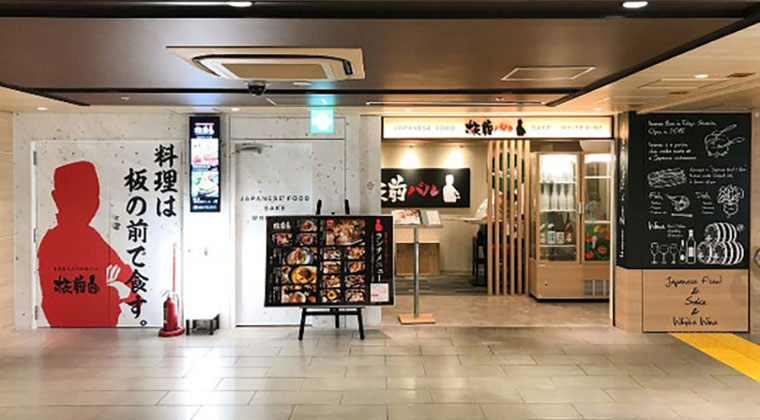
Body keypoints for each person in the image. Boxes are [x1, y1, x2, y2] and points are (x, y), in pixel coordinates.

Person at [37, 161, 135, 327]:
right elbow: (53, 304)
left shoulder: (90, 237)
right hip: (78, 330)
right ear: (56, 198)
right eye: (77, 196)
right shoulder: (56, 241)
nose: (89, 203)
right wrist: (115, 289)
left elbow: (128, 278)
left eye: (93, 195)